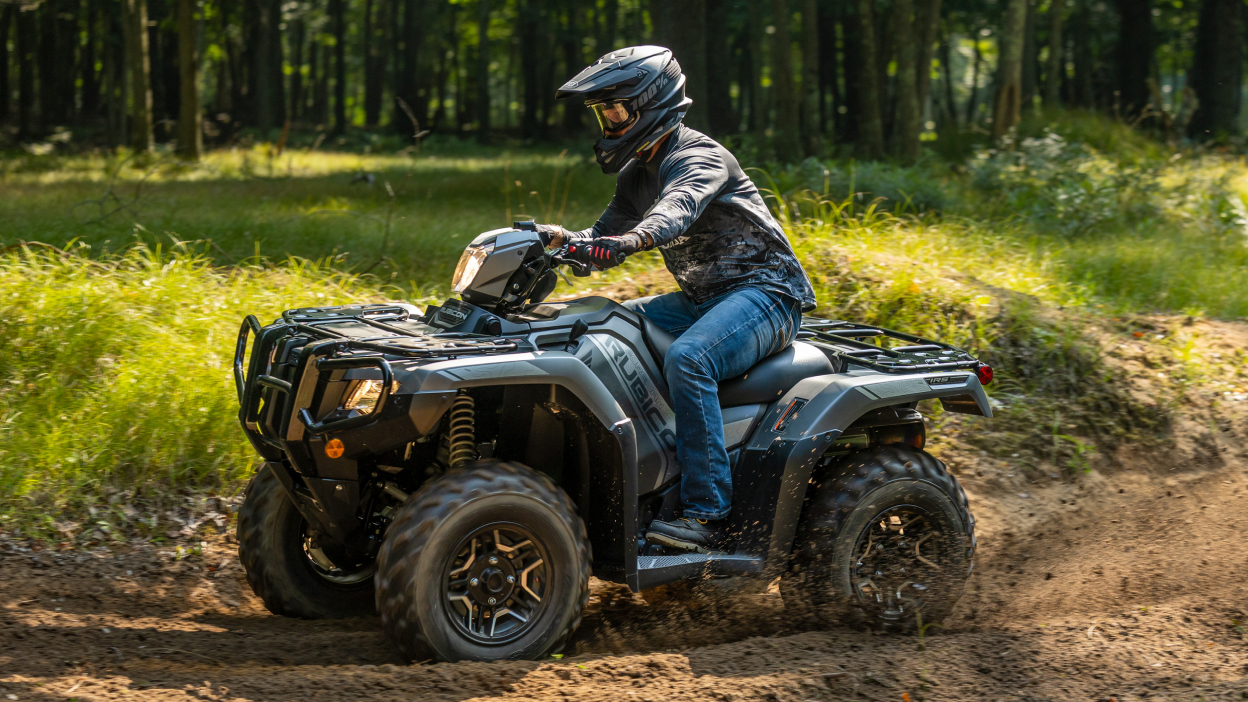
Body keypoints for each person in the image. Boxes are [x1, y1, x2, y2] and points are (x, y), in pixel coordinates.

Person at [536, 46, 816, 553]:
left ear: (652, 103)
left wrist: (632, 240)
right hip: (705, 298)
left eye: (616, 109)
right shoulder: (636, 173)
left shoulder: (698, 156)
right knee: (603, 328)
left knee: (690, 358)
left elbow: (676, 212)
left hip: (767, 294)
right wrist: (557, 242)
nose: (608, 121)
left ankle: (707, 513)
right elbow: (601, 240)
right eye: (602, 113)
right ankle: (649, 474)